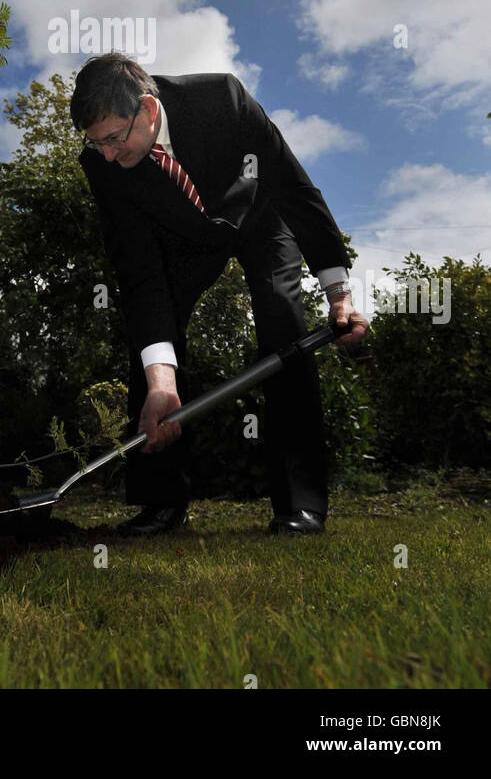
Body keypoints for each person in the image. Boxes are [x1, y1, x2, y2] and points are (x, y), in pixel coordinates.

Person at [71, 53, 369, 539]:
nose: (106, 153)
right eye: (94, 142)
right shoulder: (103, 166)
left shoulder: (221, 99)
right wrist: (160, 380)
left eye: (113, 139)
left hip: (258, 218)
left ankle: (299, 502)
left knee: (281, 318)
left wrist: (338, 294)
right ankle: (160, 504)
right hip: (181, 242)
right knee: (150, 349)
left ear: (147, 110)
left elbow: (293, 187)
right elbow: (139, 270)